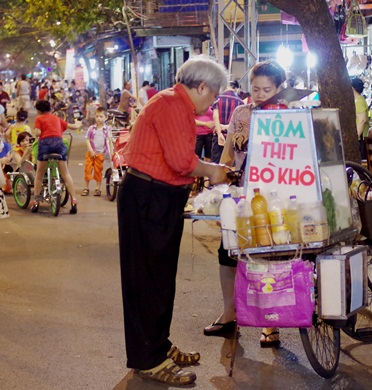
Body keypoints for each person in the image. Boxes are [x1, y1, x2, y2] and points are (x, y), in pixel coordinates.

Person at [117, 55, 230, 386]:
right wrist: (212, 170)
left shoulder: (175, 104)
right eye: (214, 95)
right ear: (201, 86)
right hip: (148, 197)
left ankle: (159, 345)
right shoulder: (171, 104)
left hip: (157, 197)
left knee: (160, 279)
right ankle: (147, 359)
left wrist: (206, 169)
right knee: (147, 281)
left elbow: (180, 157)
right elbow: (181, 161)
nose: (213, 103)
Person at [204, 60, 286, 348]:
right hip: (240, 197)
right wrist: (218, 184)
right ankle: (230, 314)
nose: (261, 94)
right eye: (256, 88)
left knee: (267, 258)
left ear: (279, 89)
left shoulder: (288, 116)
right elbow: (228, 157)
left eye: (267, 89)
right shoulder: (240, 113)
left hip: (275, 201)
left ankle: (270, 323)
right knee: (228, 253)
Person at [30, 100, 82, 214]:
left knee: (39, 174)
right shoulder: (56, 118)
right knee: (65, 173)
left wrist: (36, 132)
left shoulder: (39, 118)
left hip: (45, 145)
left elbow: (38, 133)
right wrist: (78, 124)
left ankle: (36, 201)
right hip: (59, 144)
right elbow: (71, 126)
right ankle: (73, 200)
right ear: (50, 108)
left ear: (38, 110)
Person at [211, 79, 244, 163]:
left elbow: (215, 116)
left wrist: (219, 134)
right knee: (229, 164)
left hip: (219, 134)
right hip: (232, 136)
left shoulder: (218, 98)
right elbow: (239, 122)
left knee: (216, 163)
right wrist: (227, 127)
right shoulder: (241, 102)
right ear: (236, 89)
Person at [82, 107, 112, 197]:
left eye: (101, 116)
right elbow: (87, 139)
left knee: (98, 171)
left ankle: (97, 188)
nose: (98, 118)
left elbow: (110, 140)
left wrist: (112, 150)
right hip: (90, 153)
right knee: (88, 169)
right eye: (97, 116)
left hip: (100, 154)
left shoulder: (107, 129)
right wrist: (91, 150)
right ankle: (86, 188)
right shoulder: (91, 128)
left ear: (106, 118)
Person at [351, 77, 369, 160]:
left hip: (360, 140)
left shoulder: (358, 101)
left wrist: (354, 138)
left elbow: (362, 120)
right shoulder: (360, 99)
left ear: (352, 88)